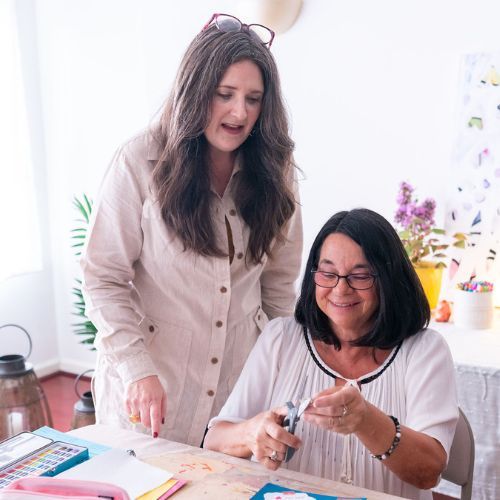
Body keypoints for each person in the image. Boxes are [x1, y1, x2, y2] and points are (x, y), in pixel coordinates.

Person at [81, 13, 303, 447]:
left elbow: (278, 289)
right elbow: (102, 277)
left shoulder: (276, 172)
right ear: (196, 89)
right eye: (225, 94)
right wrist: (136, 369)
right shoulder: (139, 162)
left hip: (236, 397)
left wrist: (286, 378)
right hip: (150, 396)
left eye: (254, 99)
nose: (240, 112)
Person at [204, 209, 458, 500]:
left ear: (388, 280)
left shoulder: (425, 351)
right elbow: (214, 440)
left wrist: (366, 420)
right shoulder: (281, 338)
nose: (340, 288)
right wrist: (252, 433)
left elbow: (429, 472)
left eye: (359, 276)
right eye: (328, 273)